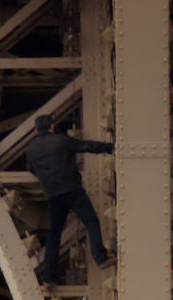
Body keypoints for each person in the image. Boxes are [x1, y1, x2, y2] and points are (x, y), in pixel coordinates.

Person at [26, 114, 114, 288]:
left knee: (54, 236)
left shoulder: (31, 149)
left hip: (53, 194)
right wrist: (109, 147)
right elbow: (86, 146)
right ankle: (101, 258)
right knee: (91, 221)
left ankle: (49, 277)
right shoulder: (61, 140)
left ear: (37, 130)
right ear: (51, 126)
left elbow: (31, 168)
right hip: (72, 190)